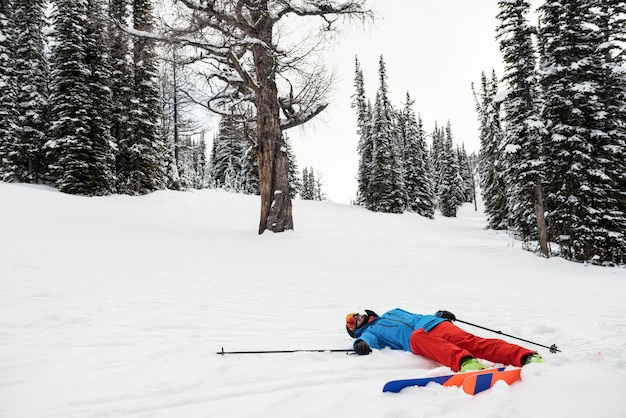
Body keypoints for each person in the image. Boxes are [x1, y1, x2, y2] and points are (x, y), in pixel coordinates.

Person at [345, 308, 543, 372]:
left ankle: (526, 357)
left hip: (433, 323)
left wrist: (438, 314)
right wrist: (359, 343)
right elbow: (366, 342)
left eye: (355, 315)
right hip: (417, 339)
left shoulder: (392, 311)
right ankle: (466, 363)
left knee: (472, 342)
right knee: (417, 336)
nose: (356, 319)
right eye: (351, 323)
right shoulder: (367, 333)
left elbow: (415, 316)